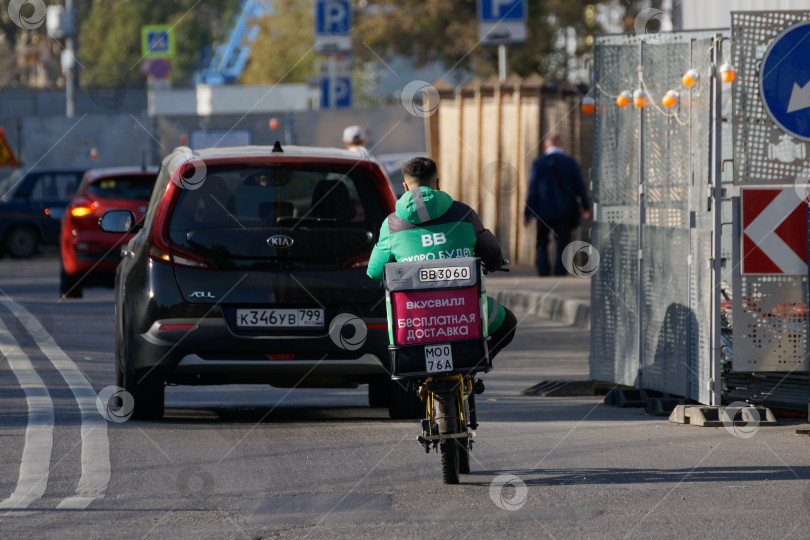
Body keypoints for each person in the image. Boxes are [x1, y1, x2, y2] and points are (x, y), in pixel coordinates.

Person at [367, 157, 516, 359]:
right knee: (507, 323)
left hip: (415, 321)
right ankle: (471, 366)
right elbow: (490, 251)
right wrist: (495, 262)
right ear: (437, 183)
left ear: (404, 186)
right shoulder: (464, 214)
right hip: (464, 317)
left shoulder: (392, 224)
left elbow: (375, 271)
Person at [523, 133, 591, 276]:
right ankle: (560, 273)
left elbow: (533, 190)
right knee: (563, 243)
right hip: (564, 211)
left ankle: (543, 271)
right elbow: (580, 186)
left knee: (541, 242)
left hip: (543, 211)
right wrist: (586, 206)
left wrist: (527, 213)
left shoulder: (539, 163)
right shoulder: (570, 162)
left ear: (545, 145)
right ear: (561, 144)